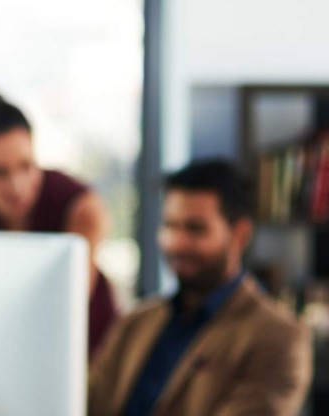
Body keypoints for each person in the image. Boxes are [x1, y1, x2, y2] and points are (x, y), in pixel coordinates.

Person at [88, 159, 312, 416]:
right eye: (170, 226)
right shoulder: (137, 322)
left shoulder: (277, 337)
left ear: (239, 235)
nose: (177, 243)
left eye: (195, 229)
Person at [0, 91, 119, 357]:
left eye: (26, 166)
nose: (18, 186)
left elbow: (66, 311)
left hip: (84, 347)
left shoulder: (84, 207)